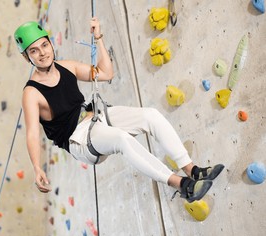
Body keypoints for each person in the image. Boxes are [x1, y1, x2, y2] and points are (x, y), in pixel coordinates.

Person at [14, 17, 224, 202]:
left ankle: (192, 170)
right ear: (27, 57)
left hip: (96, 117)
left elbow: (106, 73)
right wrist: (37, 167)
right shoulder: (31, 93)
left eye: (44, 45)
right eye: (34, 51)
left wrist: (99, 38)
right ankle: (182, 185)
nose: (42, 53)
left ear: (50, 44)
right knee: (121, 139)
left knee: (150, 116)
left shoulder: (65, 66)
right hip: (79, 140)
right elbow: (32, 133)